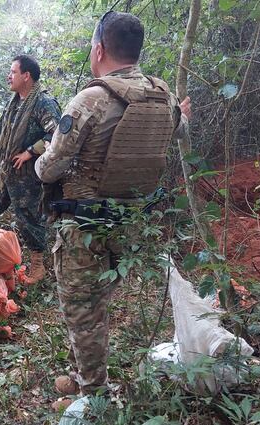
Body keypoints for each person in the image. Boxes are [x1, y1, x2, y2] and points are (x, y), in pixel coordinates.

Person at [35, 11, 192, 405]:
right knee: (97, 303)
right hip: (131, 223)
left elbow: (50, 167)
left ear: (100, 49)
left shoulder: (91, 98)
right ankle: (82, 375)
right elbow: (180, 128)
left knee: (82, 310)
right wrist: (182, 115)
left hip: (85, 225)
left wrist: (40, 159)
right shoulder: (163, 95)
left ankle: (92, 396)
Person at [0, 55, 61, 284]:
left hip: (27, 176)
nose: (8, 76)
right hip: (3, 169)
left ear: (26, 76)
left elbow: (57, 134)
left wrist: (29, 152)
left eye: (13, 72)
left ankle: (38, 266)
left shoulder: (43, 103)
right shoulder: (14, 101)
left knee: (28, 220)